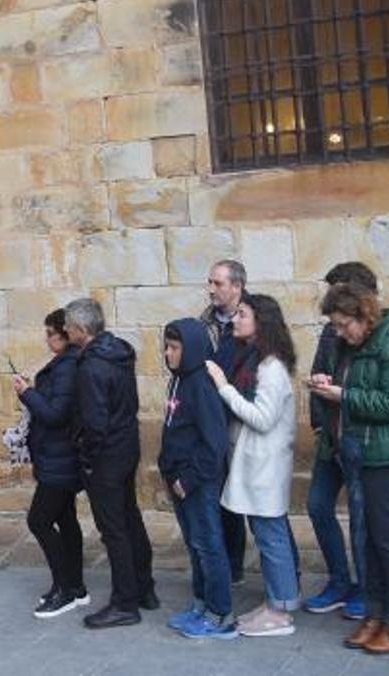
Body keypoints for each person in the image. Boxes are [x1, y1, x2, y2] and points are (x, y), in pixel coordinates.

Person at [309, 282, 389, 654]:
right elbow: (351, 387)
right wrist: (327, 383)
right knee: (371, 541)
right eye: (336, 325)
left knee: (388, 541)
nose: (339, 332)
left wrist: (345, 396)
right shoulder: (349, 349)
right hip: (362, 452)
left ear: (364, 316)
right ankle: (376, 615)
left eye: (344, 324)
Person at [207, 294, 300, 638]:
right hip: (254, 463)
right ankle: (276, 602)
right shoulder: (255, 360)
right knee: (265, 535)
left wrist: (223, 387)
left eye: (242, 314)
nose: (234, 320)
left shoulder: (271, 368)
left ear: (261, 322)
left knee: (272, 538)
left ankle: (281, 612)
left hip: (265, 466)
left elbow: (262, 419)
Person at [68, 298, 156, 628]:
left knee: (114, 529)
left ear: (80, 329)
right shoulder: (119, 351)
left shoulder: (91, 366)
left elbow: (94, 422)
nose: (65, 331)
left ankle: (125, 602)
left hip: (106, 457)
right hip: (126, 447)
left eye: (68, 326)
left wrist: (87, 459)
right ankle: (144, 587)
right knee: (130, 519)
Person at [304, 262, 379, 620]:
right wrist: (319, 422)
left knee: (362, 516)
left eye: (337, 290)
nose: (330, 299)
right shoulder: (329, 334)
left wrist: (341, 393)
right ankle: (339, 580)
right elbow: (319, 372)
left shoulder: (378, 338)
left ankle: (367, 587)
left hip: (361, 441)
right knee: (318, 505)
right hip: (331, 438)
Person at [159, 319, 232, 638]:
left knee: (209, 544)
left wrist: (188, 478)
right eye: (166, 346)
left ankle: (221, 614)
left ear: (190, 350)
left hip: (197, 482)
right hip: (178, 478)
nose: (167, 353)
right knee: (195, 543)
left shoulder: (201, 384)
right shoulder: (178, 380)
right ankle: (201, 603)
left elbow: (214, 443)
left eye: (174, 348)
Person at [19, 309, 90, 617]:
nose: (47, 339)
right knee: (65, 520)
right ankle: (75, 586)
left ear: (64, 333)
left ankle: (65, 588)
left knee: (39, 520)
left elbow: (56, 413)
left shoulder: (67, 366)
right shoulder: (64, 364)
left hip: (61, 459)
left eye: (50, 333)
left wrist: (28, 394)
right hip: (57, 456)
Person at [201, 259, 250, 585]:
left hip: (239, 416)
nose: (212, 289)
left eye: (218, 283)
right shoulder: (203, 322)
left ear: (237, 286)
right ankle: (230, 567)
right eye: (211, 282)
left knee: (252, 501)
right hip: (211, 416)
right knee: (219, 493)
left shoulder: (253, 321)